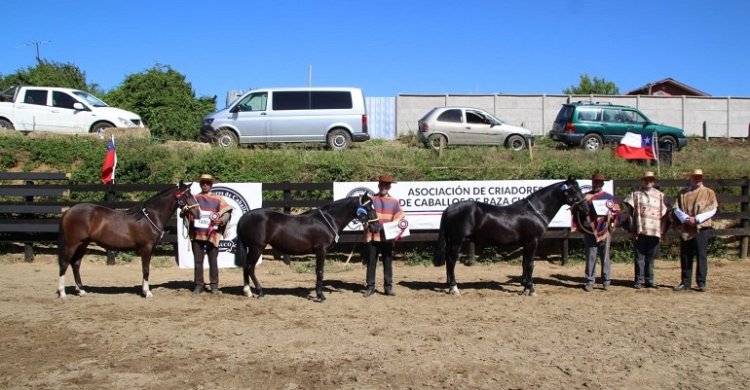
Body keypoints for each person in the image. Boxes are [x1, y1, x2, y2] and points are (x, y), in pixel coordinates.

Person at [185, 174, 233, 295]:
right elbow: (186, 211)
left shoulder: (218, 199)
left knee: (213, 261)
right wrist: (185, 212)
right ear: (200, 184)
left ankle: (214, 286)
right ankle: (199, 285)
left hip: (213, 233)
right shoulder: (195, 198)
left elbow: (226, 213)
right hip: (197, 233)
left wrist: (221, 220)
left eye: (207, 183)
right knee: (198, 261)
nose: (205, 185)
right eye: (203, 183)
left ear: (211, 185)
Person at [673, 169, 718, 292]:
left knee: (701, 255)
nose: (698, 179)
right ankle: (685, 282)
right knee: (685, 255)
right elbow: (676, 209)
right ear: (690, 178)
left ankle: (701, 282)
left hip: (702, 227)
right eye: (695, 177)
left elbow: (712, 209)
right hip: (686, 227)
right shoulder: (682, 193)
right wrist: (687, 219)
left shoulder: (709, 192)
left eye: (700, 177)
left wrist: (697, 219)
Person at [623, 171, 668, 289]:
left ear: (653, 182)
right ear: (642, 181)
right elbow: (630, 213)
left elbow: (665, 214)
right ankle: (638, 280)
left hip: (654, 230)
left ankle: (649, 280)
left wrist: (662, 231)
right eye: (646, 179)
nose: (648, 182)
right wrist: (632, 229)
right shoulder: (635, 194)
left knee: (650, 257)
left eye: (650, 180)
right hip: (640, 229)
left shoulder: (660, 195)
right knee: (639, 256)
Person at [363, 175, 405, 297]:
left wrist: (391, 227)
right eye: (382, 185)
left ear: (389, 187)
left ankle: (388, 287)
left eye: (386, 185)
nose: (384, 187)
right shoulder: (371, 199)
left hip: (387, 237)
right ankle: (370, 287)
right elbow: (365, 216)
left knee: (388, 261)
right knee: (371, 262)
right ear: (378, 185)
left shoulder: (394, 202)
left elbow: (400, 216)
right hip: (373, 236)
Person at [579, 173, 618, 292]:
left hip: (605, 229)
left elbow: (616, 212)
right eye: (595, 182)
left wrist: (612, 217)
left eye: (599, 182)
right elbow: (579, 212)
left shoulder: (609, 197)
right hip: (590, 230)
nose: (596, 184)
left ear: (602, 184)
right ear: (592, 183)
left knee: (605, 255)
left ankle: (606, 281)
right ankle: (590, 280)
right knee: (591, 256)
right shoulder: (586, 197)